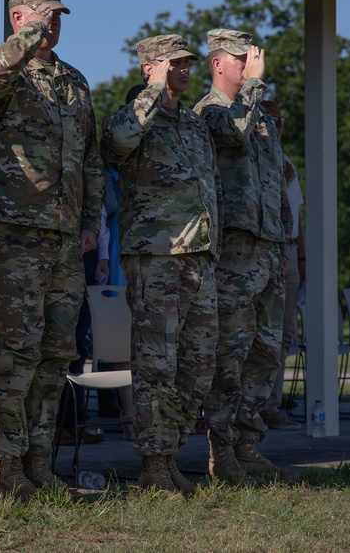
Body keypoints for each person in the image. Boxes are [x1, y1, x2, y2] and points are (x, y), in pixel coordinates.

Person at [0, 0, 103, 498]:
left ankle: (40, 462)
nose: (51, 24)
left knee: (55, 355)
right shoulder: (0, 68)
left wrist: (91, 221)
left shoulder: (74, 81)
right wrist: (24, 39)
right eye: (41, 15)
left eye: (57, 16)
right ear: (17, 16)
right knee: (16, 354)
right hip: (16, 234)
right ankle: (8, 468)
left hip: (65, 237)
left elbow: (91, 160)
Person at [104, 35, 222, 494]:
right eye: (174, 64)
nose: (184, 71)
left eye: (187, 64)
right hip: (157, 257)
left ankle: (171, 451)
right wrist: (151, 92)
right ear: (150, 68)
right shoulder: (135, 115)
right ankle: (153, 464)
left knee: (198, 365)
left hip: (199, 258)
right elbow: (116, 144)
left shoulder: (193, 125)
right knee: (156, 366)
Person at [194, 30, 294, 483]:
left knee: (264, 354)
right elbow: (228, 136)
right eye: (241, 60)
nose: (250, 66)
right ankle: (222, 452)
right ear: (219, 63)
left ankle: (247, 444)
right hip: (234, 252)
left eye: (252, 59)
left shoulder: (262, 119)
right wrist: (253, 85)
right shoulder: (210, 112)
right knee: (229, 356)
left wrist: (283, 243)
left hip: (269, 249)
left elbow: (277, 184)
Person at [259, 99, 305, 430]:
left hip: (289, 253)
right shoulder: (253, 157)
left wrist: (302, 259)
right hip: (264, 252)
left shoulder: (287, 161)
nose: (276, 125)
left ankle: (271, 404)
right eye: (269, 119)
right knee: (262, 334)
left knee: (286, 333)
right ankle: (255, 406)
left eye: (280, 119)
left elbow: (297, 218)